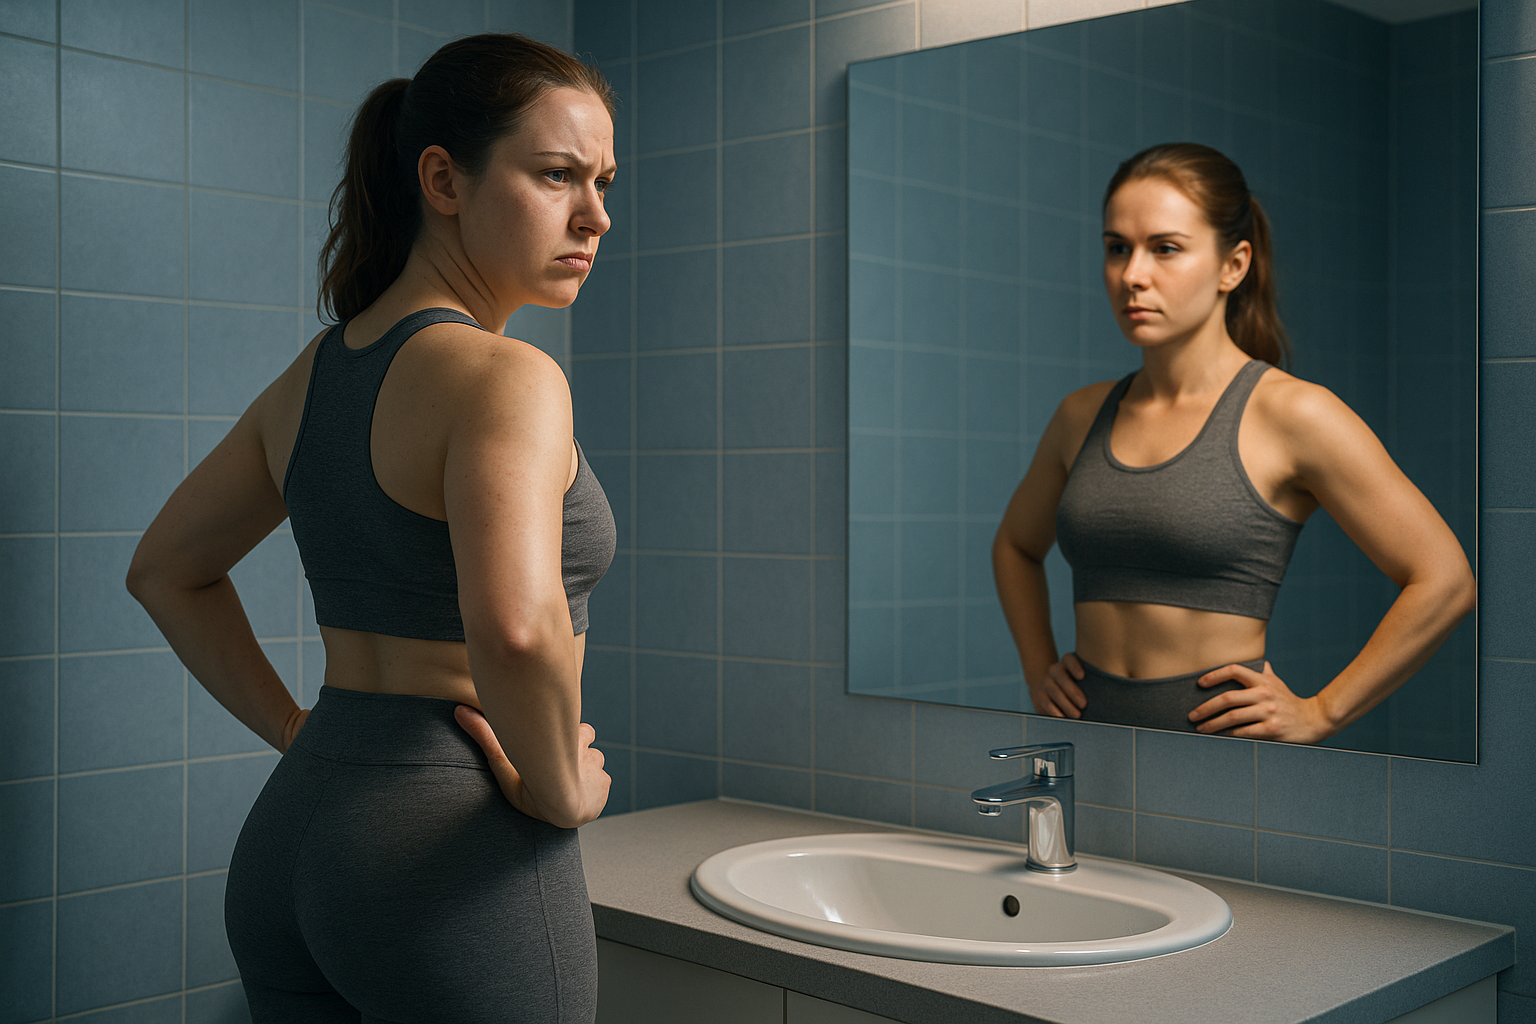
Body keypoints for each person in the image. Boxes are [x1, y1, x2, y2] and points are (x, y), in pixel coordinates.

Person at [126, 34, 617, 1022]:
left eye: (604, 181)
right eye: (557, 174)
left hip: (298, 838)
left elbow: (166, 571)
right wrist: (564, 790)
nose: (596, 215)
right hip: (453, 853)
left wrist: (303, 736)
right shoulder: (509, 377)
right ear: (443, 177)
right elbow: (517, 630)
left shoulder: (314, 377)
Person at [992, 143, 1474, 743]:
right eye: (1117, 247)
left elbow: (1445, 579)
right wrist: (1040, 669)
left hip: (1227, 766)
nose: (1132, 275)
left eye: (1165, 248)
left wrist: (1324, 710)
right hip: (1089, 753)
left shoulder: (1293, 414)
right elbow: (1015, 544)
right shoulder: (1080, 415)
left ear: (1233, 265)